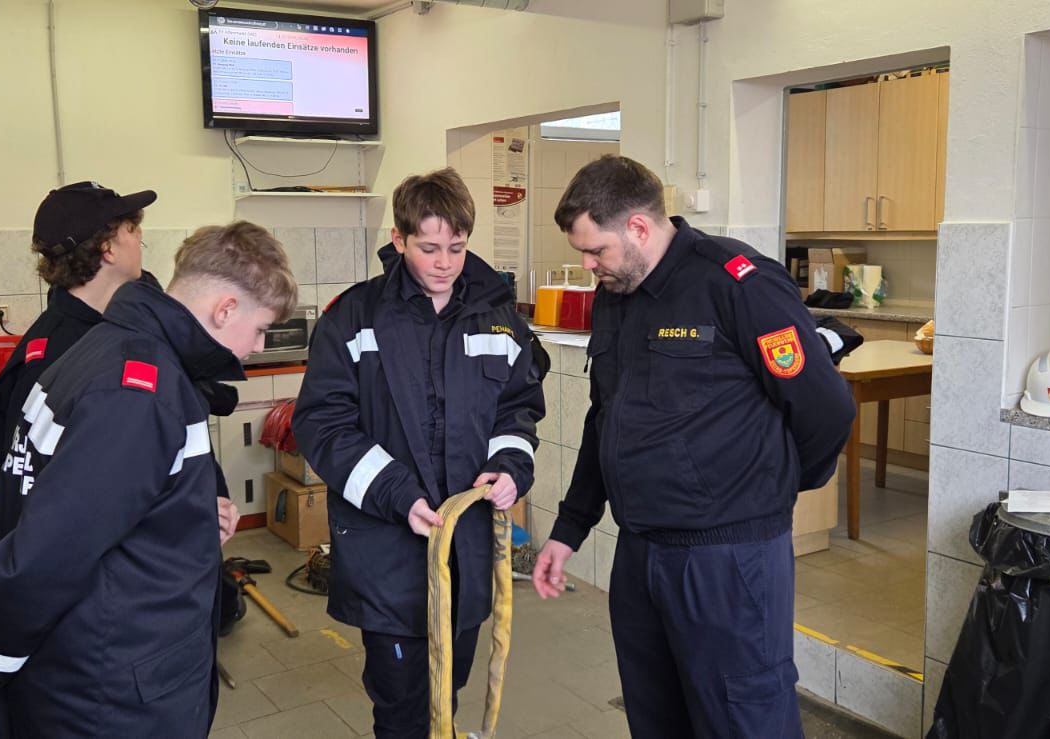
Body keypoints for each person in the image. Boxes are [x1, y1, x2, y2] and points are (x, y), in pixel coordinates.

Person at [0, 222, 296, 736]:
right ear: (225, 309)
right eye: (261, 328)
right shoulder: (139, 391)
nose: (259, 346)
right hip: (114, 686)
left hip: (96, 666)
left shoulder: (103, 349)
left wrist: (192, 514)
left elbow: (22, 511)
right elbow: (48, 552)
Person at [530, 155, 854, 739]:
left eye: (595, 251)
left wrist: (774, 487)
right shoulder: (616, 294)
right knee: (656, 717)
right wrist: (570, 527)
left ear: (638, 227)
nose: (587, 266)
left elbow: (825, 406)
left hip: (727, 558)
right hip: (641, 553)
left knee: (744, 720)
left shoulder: (736, 283)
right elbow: (605, 418)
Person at [293, 168, 545, 739]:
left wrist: (510, 467)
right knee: (403, 704)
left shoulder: (497, 317)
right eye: (429, 248)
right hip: (389, 549)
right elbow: (323, 424)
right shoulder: (354, 316)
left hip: (466, 549)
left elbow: (517, 407)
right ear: (399, 239)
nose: (445, 263)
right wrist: (398, 494)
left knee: (448, 688)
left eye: (457, 247)